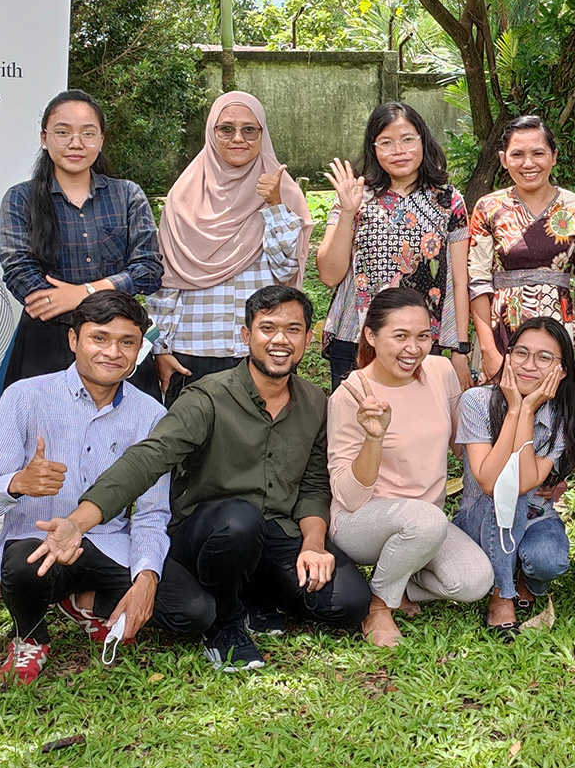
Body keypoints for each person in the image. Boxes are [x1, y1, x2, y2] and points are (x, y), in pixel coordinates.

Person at [23, 285, 371, 674]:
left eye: (292, 330)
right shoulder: (208, 397)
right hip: (207, 532)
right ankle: (224, 623)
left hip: (275, 532)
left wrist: (313, 544)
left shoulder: (314, 401)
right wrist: (78, 521)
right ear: (246, 336)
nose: (279, 340)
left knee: (349, 603)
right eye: (267, 328)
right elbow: (148, 458)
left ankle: (253, 597)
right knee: (240, 521)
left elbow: (312, 485)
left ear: (307, 338)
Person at [0, 292, 181, 685]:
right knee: (24, 565)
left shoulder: (151, 414)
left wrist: (146, 577)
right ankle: (30, 638)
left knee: (188, 611)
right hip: (39, 544)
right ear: (74, 340)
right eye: (100, 338)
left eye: (127, 342)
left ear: (138, 350)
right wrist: (17, 483)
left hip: (109, 544)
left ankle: (84, 602)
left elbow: (151, 513)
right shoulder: (25, 397)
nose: (113, 352)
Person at [327, 287, 491, 646]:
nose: (413, 349)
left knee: (474, 581)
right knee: (425, 520)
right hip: (361, 522)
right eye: (399, 336)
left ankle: (397, 582)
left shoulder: (440, 370)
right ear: (371, 335)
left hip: (424, 523)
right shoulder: (351, 395)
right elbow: (349, 496)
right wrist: (374, 438)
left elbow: (462, 448)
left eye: (422, 336)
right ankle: (379, 607)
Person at [0, 89, 162, 395]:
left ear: (101, 140)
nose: (76, 143)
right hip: (47, 343)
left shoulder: (127, 195)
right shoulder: (20, 199)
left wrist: (83, 295)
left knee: (131, 436)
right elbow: (20, 273)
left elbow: (148, 270)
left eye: (88, 133)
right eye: (63, 132)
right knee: (42, 438)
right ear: (44, 138)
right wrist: (85, 303)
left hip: (118, 339)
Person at [149, 92, 310, 404]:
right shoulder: (183, 196)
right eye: (227, 129)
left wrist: (275, 204)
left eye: (250, 130)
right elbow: (165, 281)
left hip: (257, 353)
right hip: (192, 349)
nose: (239, 138)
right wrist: (161, 348)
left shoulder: (281, 188)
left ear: (262, 134)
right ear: (212, 132)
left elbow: (287, 270)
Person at [317, 103, 470, 390]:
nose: (398, 150)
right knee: (357, 428)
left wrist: (460, 348)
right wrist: (348, 212)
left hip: (420, 344)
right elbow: (329, 275)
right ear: (373, 148)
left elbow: (460, 282)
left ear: (423, 140)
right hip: (356, 338)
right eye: (386, 142)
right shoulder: (355, 196)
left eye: (408, 139)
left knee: (416, 430)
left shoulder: (449, 202)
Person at [453, 317, 575, 639]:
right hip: (478, 518)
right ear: (508, 356)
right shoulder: (477, 401)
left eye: (544, 358)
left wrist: (527, 410)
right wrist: (513, 410)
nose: (529, 365)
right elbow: (487, 481)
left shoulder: (559, 417)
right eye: (521, 353)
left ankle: (524, 577)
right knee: (506, 490)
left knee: (548, 562)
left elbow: (527, 479)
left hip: (535, 517)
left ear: (562, 371)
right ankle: (502, 593)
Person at [467, 115, 575, 385]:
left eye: (538, 153)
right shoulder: (489, 207)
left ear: (554, 156)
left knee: (556, 415)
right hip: (502, 329)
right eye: (517, 154)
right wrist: (487, 348)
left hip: (560, 329)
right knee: (500, 415)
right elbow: (477, 281)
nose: (528, 163)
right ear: (504, 159)